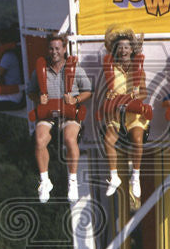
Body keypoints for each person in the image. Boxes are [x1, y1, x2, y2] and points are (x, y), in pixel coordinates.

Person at [27, 34, 92, 202]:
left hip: (69, 113)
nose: (54, 52)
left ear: (64, 49)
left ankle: (72, 180)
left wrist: (75, 100)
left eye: (57, 48)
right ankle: (45, 180)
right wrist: (37, 98)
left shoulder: (75, 69)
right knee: (39, 140)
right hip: (48, 113)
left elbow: (88, 91)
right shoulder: (40, 70)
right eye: (51, 49)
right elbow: (31, 92)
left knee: (70, 139)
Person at [100, 27, 150, 208]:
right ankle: (114, 176)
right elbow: (107, 94)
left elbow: (144, 93)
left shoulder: (139, 70)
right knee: (108, 140)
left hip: (134, 114)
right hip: (116, 113)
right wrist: (109, 97)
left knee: (137, 139)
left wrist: (137, 96)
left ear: (132, 50)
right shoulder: (111, 70)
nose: (123, 51)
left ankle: (135, 176)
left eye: (126, 47)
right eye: (120, 47)